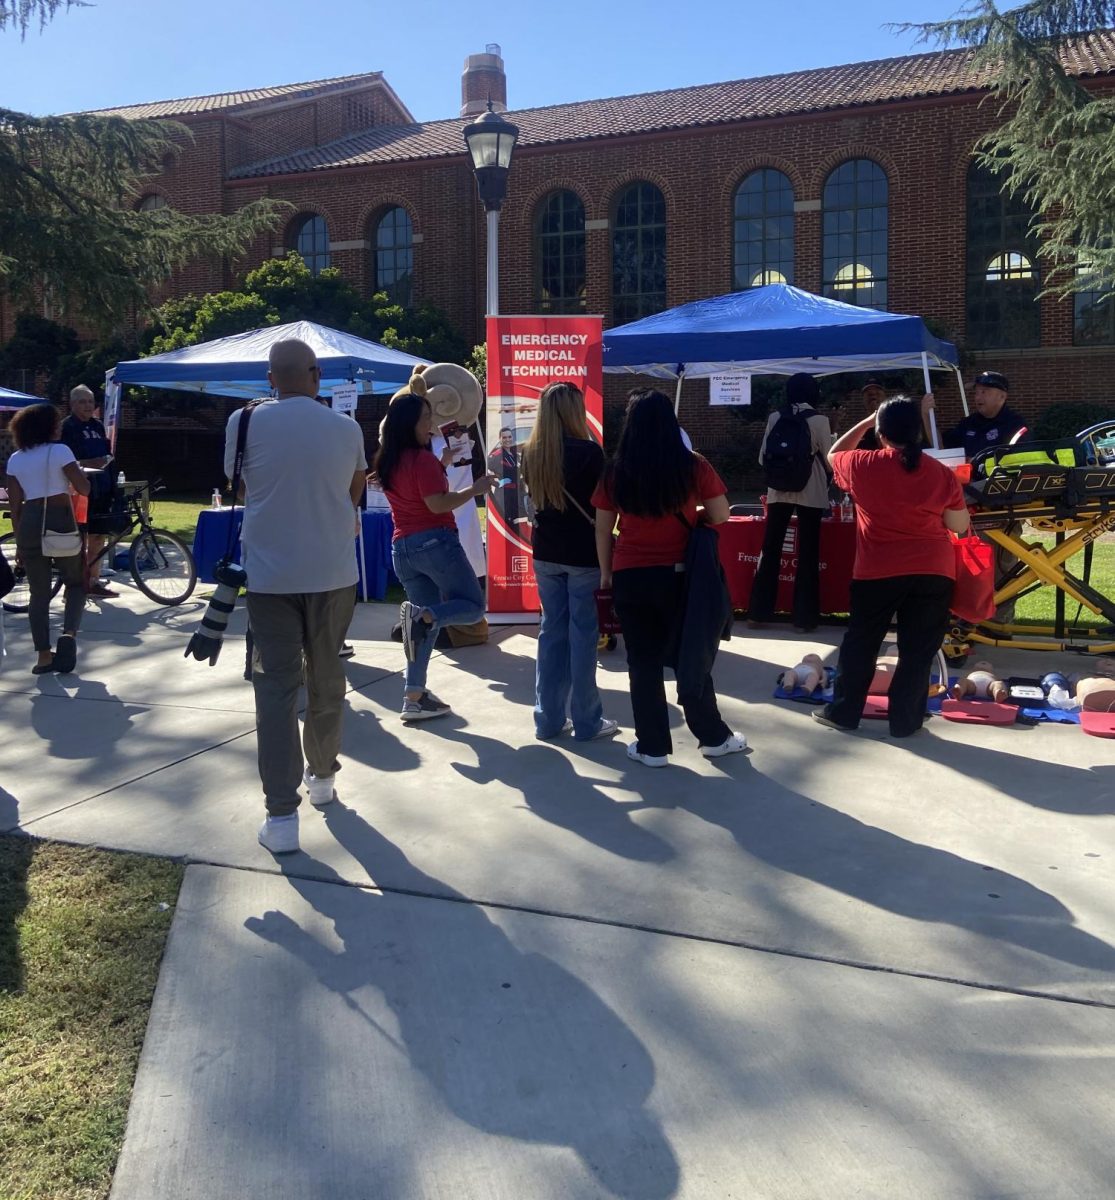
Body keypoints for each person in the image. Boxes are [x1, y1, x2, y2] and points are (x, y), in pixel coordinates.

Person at [225, 339, 367, 855]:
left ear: (270, 378)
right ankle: (324, 775)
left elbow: (239, 489)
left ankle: (281, 816)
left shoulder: (243, 422)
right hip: (332, 571)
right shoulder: (346, 427)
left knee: (275, 690)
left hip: (269, 577)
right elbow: (355, 491)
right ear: (315, 374)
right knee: (327, 675)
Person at [593, 388, 745, 767]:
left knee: (642, 664)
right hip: (681, 579)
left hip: (631, 577)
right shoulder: (693, 465)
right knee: (691, 658)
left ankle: (652, 747)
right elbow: (722, 514)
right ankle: (713, 737)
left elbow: (602, 528)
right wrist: (694, 520)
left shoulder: (616, 470)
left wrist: (607, 572)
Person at [814, 396, 970, 738]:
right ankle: (906, 721)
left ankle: (843, 713)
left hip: (877, 570)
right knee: (918, 650)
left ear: (881, 433)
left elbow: (832, 454)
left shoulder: (861, 464)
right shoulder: (940, 474)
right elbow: (959, 525)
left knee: (862, 643)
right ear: (917, 432)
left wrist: (868, 420)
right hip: (933, 569)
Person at [374, 381, 497, 722]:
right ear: (410, 424)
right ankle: (426, 617)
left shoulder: (390, 460)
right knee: (473, 608)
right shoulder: (421, 460)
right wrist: (476, 488)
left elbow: (417, 492)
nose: (432, 423)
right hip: (435, 543)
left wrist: (441, 465)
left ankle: (414, 695)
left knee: (421, 631)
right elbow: (436, 502)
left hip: (403, 549)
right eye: (426, 417)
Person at [520, 381, 617, 742]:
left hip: (545, 552)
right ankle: (588, 721)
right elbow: (604, 510)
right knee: (582, 638)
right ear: (575, 411)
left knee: (551, 635)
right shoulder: (590, 454)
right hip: (583, 554)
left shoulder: (531, 452)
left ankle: (547, 719)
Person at [4, 402, 91, 674]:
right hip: (59, 518)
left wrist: (19, 541)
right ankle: (69, 633)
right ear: (48, 427)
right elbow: (83, 488)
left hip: (29, 522)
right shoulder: (60, 451)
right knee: (76, 581)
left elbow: (14, 505)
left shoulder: (16, 458)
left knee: (38, 593)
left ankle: (43, 655)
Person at [747, 373, 833, 632]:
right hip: (811, 491)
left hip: (778, 491)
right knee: (808, 553)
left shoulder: (775, 417)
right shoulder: (819, 420)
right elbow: (831, 460)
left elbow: (763, 457)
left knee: (770, 549)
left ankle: (758, 614)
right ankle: (804, 619)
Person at [59, 384, 116, 598]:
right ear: (73, 404)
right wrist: (90, 462)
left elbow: (107, 455)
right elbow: (64, 462)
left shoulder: (98, 426)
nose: (87, 406)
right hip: (79, 490)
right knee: (79, 540)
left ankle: (94, 581)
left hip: (102, 489)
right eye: (82, 402)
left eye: (90, 401)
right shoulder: (67, 427)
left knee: (98, 536)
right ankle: (74, 584)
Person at [922, 371, 1026, 460]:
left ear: (1002, 397)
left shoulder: (1015, 424)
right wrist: (926, 415)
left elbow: (1019, 461)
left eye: (984, 392)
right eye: (976, 393)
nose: (977, 397)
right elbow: (941, 447)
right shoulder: (968, 423)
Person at [487, 426, 520, 525]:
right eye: (504, 437)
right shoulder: (496, 455)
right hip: (503, 495)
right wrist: (497, 483)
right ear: (500, 439)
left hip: (515, 494)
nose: (507, 440)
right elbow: (485, 472)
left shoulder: (515, 455)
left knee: (515, 524)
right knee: (505, 523)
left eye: (509, 437)